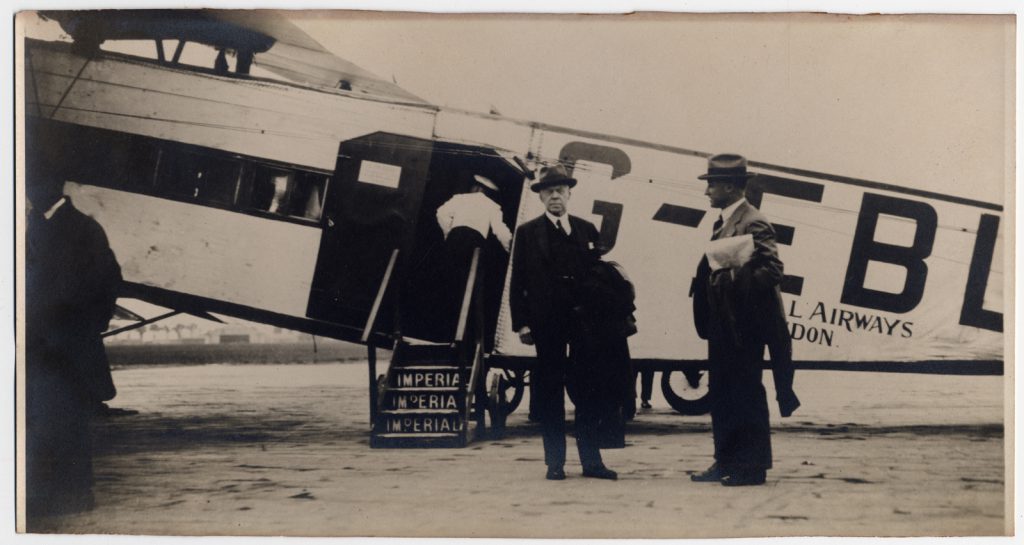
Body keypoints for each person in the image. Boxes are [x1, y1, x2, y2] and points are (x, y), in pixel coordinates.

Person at [688, 153, 800, 487]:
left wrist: (730, 280)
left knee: (745, 393)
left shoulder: (753, 221)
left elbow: (773, 270)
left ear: (729, 186)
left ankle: (751, 467)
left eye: (711, 186)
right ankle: (725, 459)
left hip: (745, 327)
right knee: (722, 393)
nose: (707, 192)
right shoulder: (725, 220)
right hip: (725, 325)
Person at [25, 157, 123, 517]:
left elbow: (110, 279)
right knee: (39, 423)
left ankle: (77, 495)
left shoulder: (85, 229)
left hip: (69, 346)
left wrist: (88, 325)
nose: (30, 191)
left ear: (56, 186)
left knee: (69, 424)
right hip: (37, 347)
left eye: (36, 183)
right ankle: (45, 497)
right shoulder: (28, 227)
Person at [509, 164, 617, 481]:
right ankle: (554, 463)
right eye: (548, 191)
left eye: (560, 190)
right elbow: (518, 281)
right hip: (547, 324)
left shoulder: (587, 231)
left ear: (570, 193)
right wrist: (522, 323)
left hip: (584, 325)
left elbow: (601, 279)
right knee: (550, 391)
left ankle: (592, 462)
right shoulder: (528, 233)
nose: (555, 195)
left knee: (587, 391)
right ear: (541, 196)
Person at [435, 174, 512, 338]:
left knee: (446, 281)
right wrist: (510, 250)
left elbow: (441, 213)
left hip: (454, 240)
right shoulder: (493, 206)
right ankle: (458, 334)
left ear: (475, 187)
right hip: (475, 246)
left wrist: (449, 233)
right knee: (467, 288)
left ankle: (440, 330)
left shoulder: (459, 198)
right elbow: (500, 231)